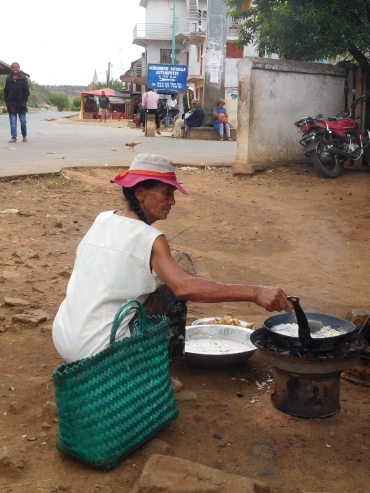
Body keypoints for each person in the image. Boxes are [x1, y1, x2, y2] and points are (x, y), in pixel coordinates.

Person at [52, 153, 292, 393]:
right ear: (140, 193)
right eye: (166, 193)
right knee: (171, 291)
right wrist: (255, 292)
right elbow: (184, 288)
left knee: (158, 281)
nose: (172, 202)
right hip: (100, 353)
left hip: (65, 340)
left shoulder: (103, 218)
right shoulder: (151, 239)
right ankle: (151, 375)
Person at [4, 62, 30, 143]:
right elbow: (6, 91)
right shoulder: (8, 79)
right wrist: (7, 101)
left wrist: (24, 101)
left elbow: (26, 91)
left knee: (23, 121)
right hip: (11, 104)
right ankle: (13, 137)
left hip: (21, 104)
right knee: (12, 122)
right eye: (13, 68)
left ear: (19, 68)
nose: (15, 69)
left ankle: (24, 136)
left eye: (16, 68)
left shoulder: (23, 78)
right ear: (11, 69)